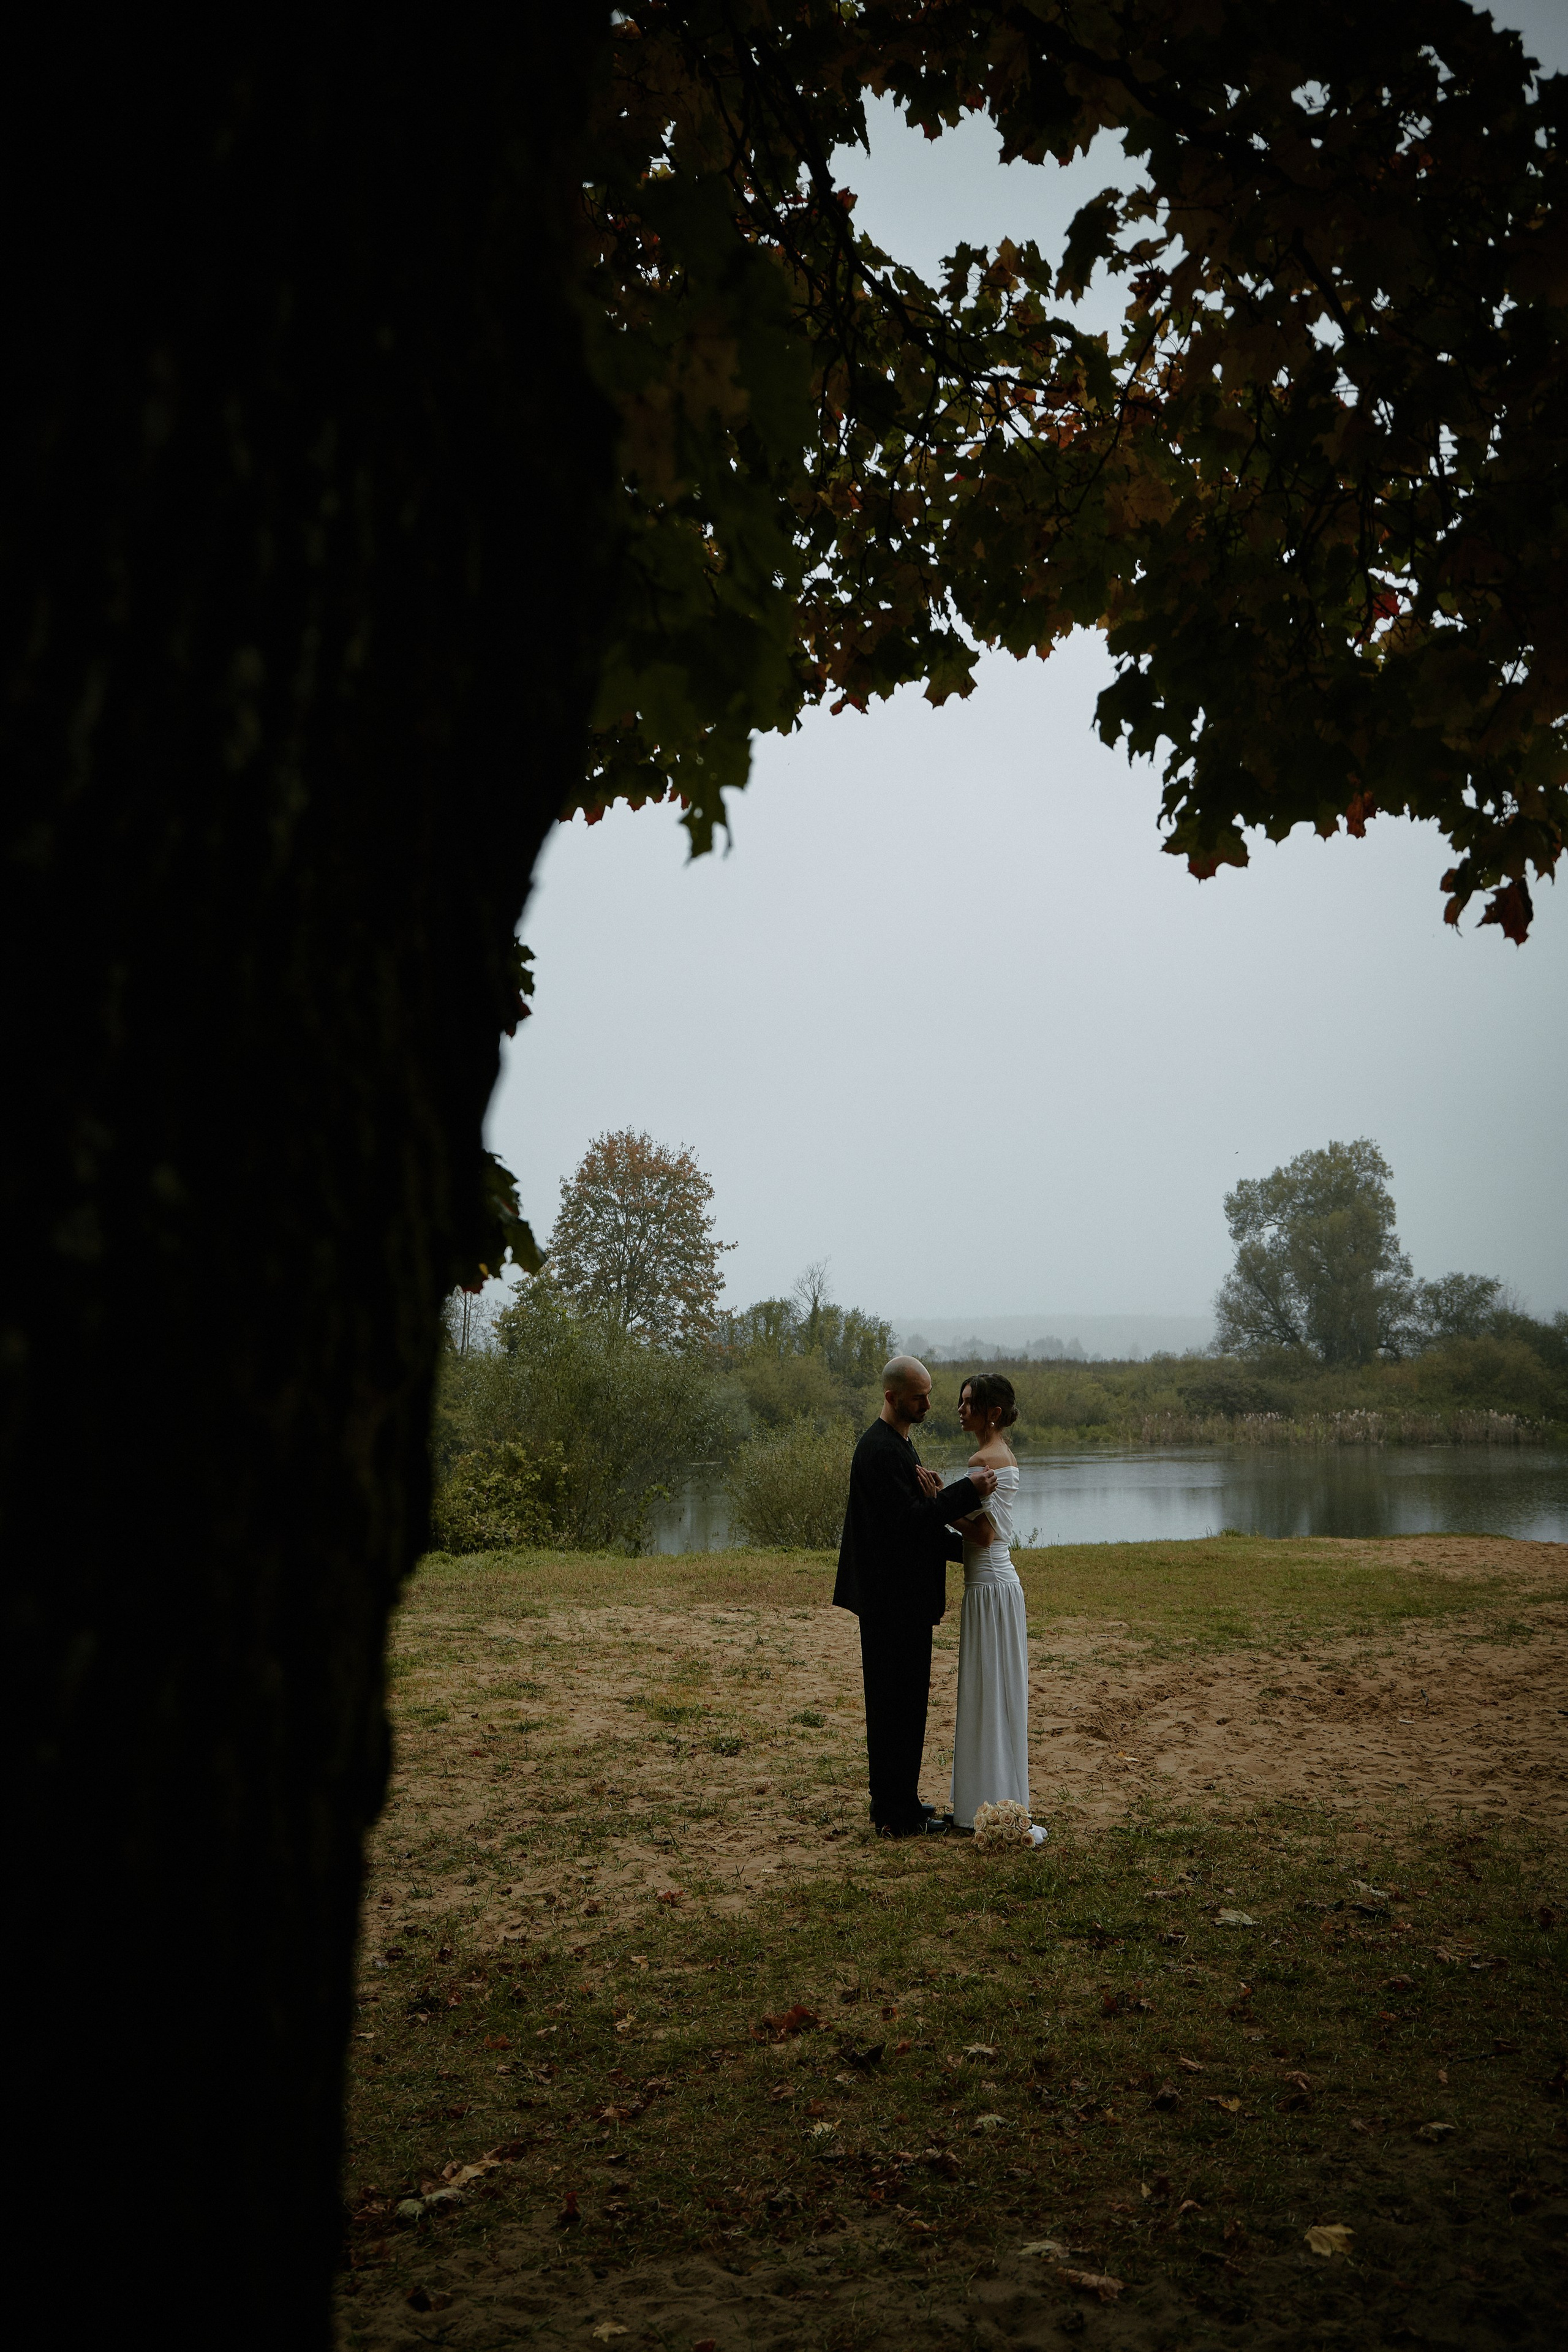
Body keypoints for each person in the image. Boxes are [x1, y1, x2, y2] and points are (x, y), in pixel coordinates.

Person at [834, 1355, 996, 1838]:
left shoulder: (901, 1445)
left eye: (929, 1394)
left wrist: (970, 1550)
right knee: (891, 1707)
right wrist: (964, 1492)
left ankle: (902, 1801)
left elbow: (920, 1525)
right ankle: (891, 1813)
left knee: (907, 1706)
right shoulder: (878, 1451)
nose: (929, 1403)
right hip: (889, 1604)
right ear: (892, 1397)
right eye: (919, 1396)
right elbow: (906, 1524)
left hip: (903, 1602)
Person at [948, 1373, 1046, 1843]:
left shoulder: (981, 1460)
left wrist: (939, 1504)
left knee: (986, 1688)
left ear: (992, 1412)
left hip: (987, 1584)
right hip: (1002, 1583)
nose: (960, 1410)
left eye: (968, 1403)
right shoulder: (1006, 1456)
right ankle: (1000, 1797)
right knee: (1001, 1689)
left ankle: (980, 1804)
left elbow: (985, 1535)